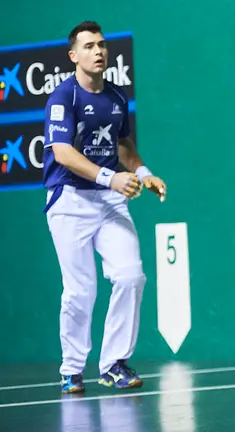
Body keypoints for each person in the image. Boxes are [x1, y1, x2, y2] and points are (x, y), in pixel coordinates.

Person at [42, 21, 167, 394]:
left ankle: (113, 364)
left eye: (101, 45)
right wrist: (109, 178)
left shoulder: (116, 97)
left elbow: (122, 144)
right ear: (73, 56)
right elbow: (62, 153)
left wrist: (143, 173)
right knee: (80, 290)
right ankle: (71, 369)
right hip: (69, 200)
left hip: (110, 201)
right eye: (89, 46)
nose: (98, 51)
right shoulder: (63, 98)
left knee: (130, 276)